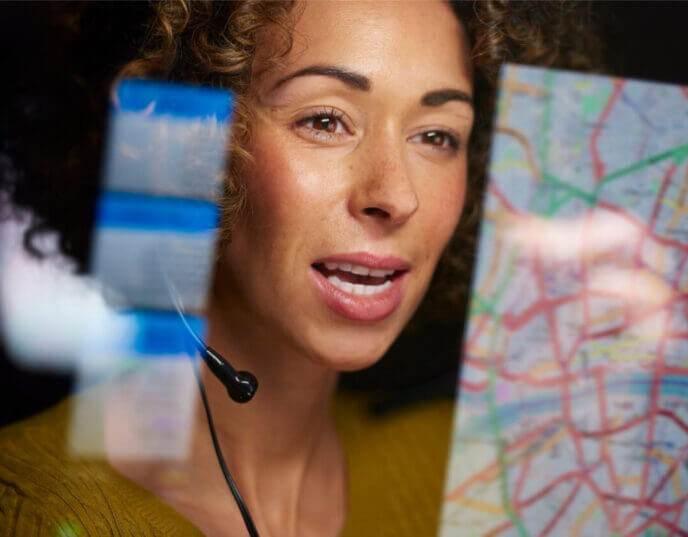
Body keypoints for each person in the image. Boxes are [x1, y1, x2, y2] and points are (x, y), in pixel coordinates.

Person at [0, 1, 599, 536]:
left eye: (437, 135)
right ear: (180, 140)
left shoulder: (480, 481)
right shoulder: (33, 511)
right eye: (324, 120)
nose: (396, 195)